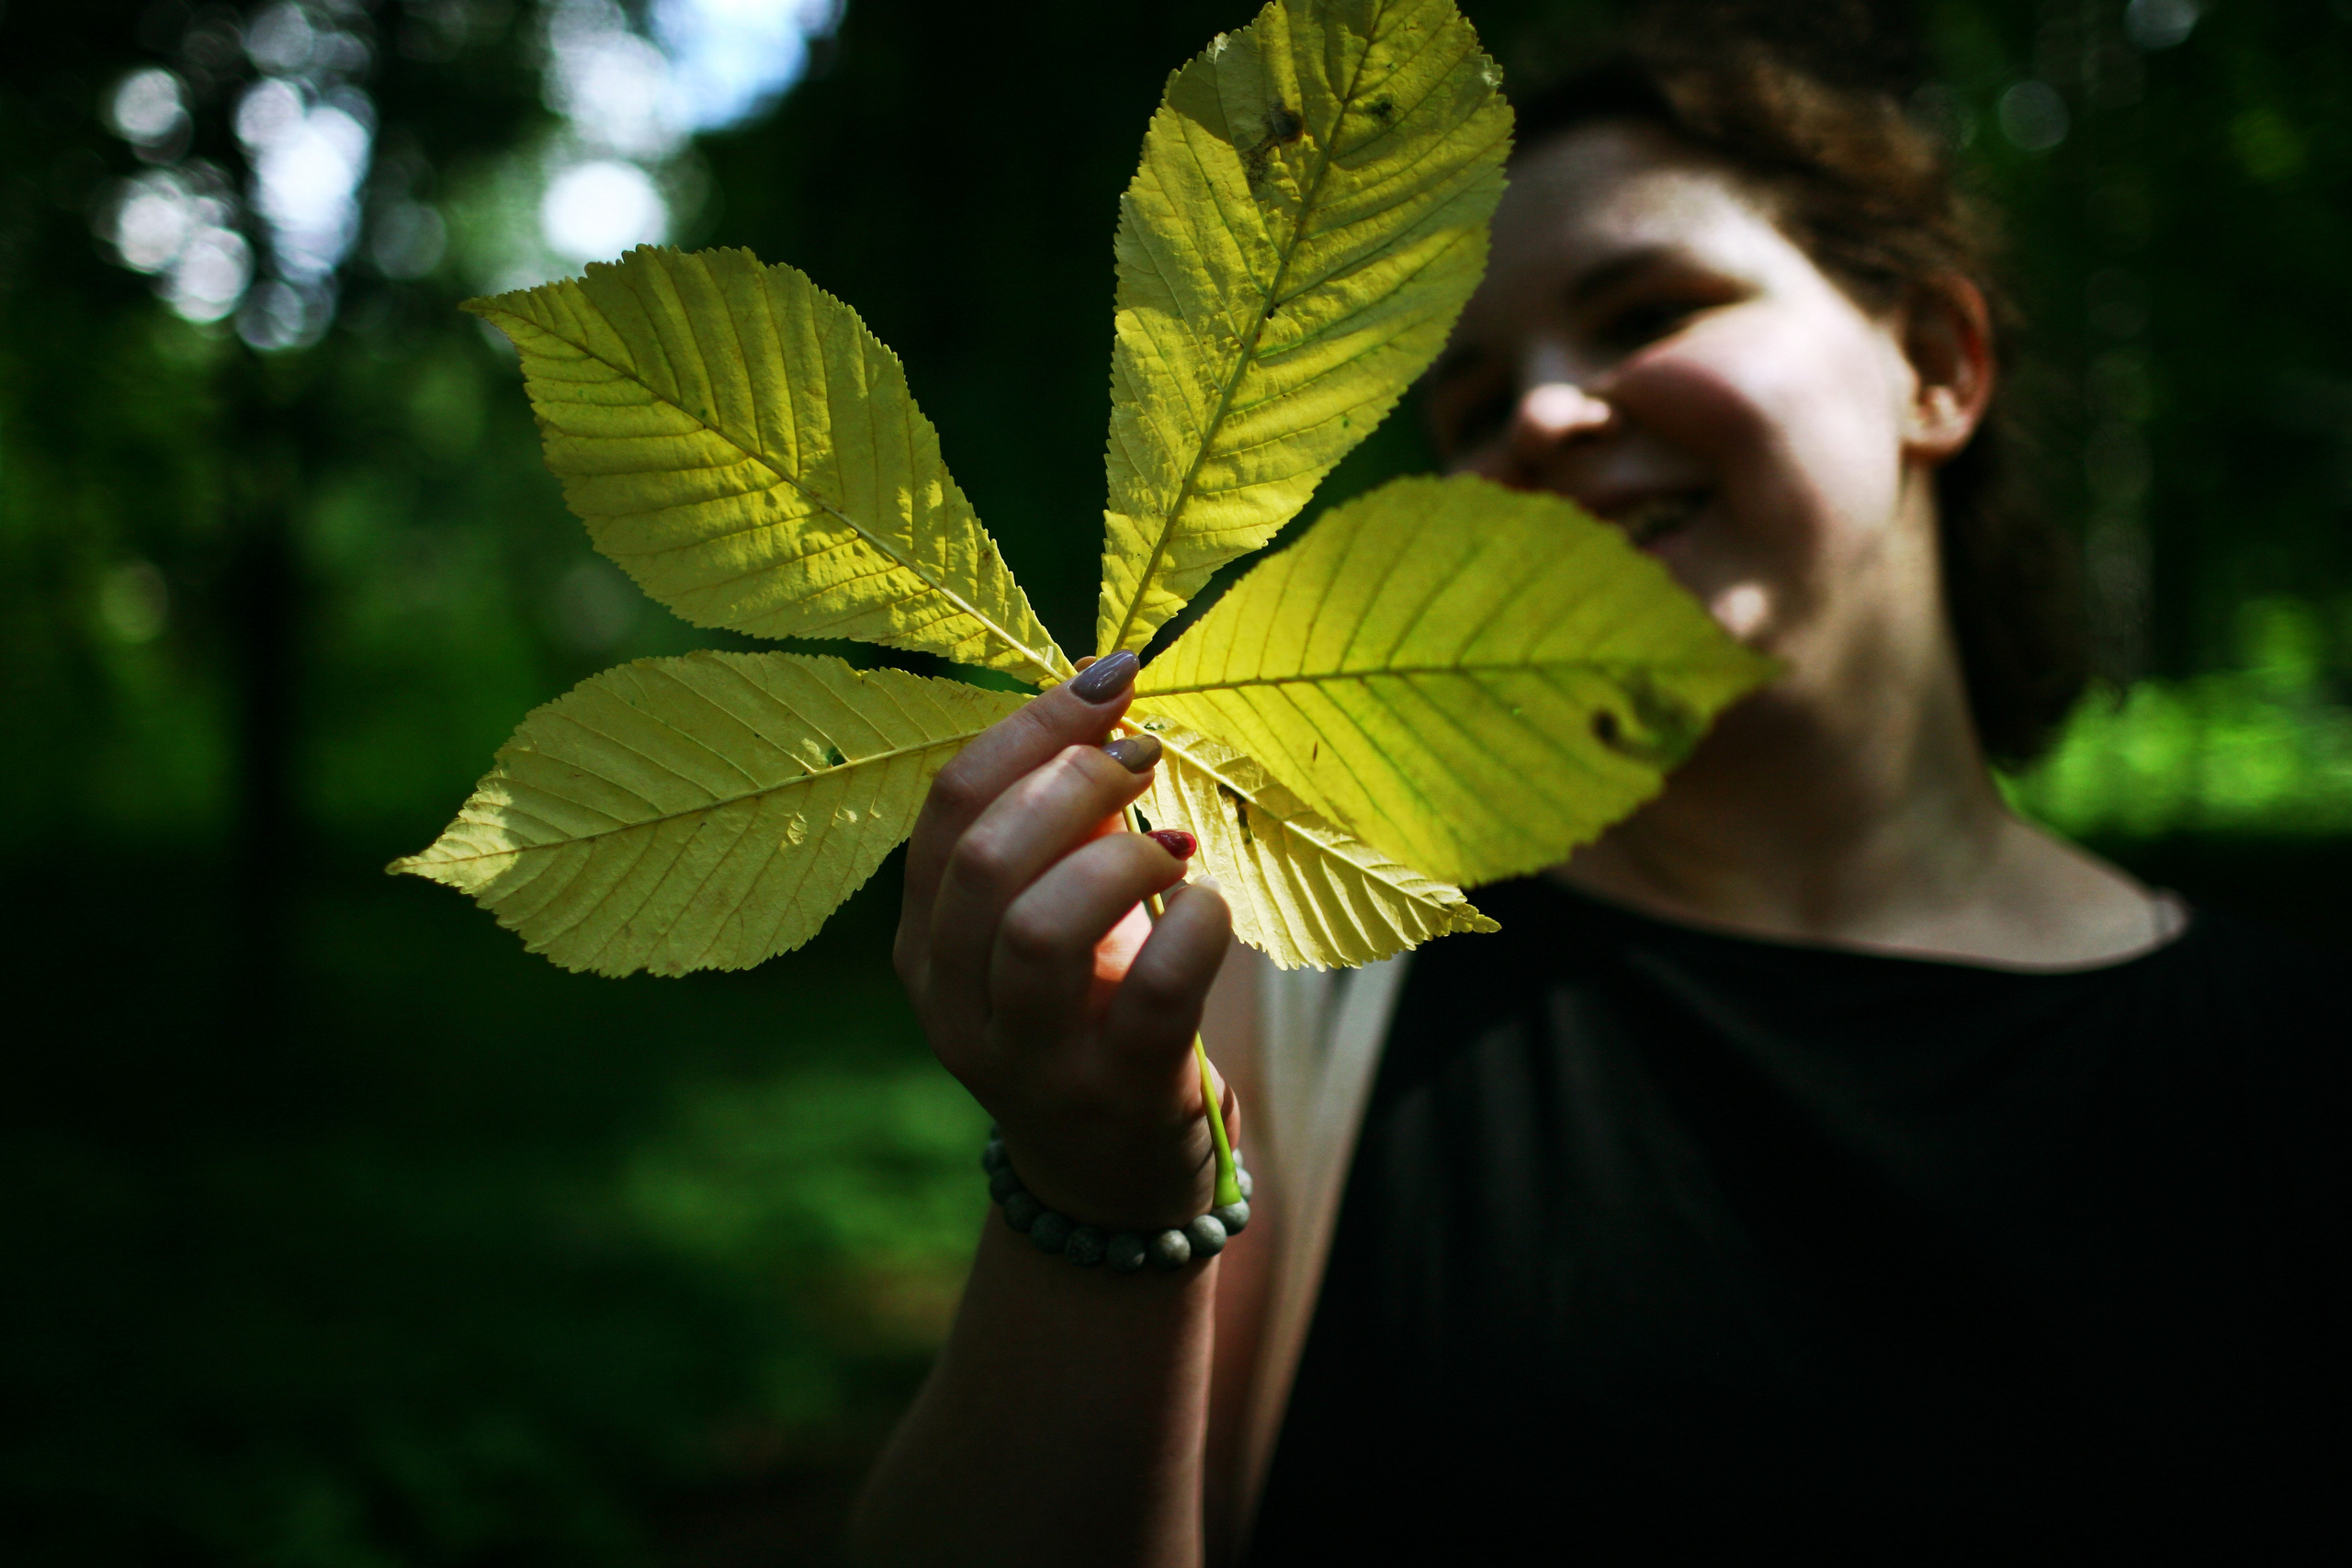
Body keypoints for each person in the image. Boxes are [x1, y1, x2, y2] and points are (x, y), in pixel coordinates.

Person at [851, 25, 2344, 1567]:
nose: (1546, 422)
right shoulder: (1283, 1000)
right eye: (1477, 402)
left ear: (1936, 367)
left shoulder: (2298, 1066)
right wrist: (1097, 1198)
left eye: (1648, 312)